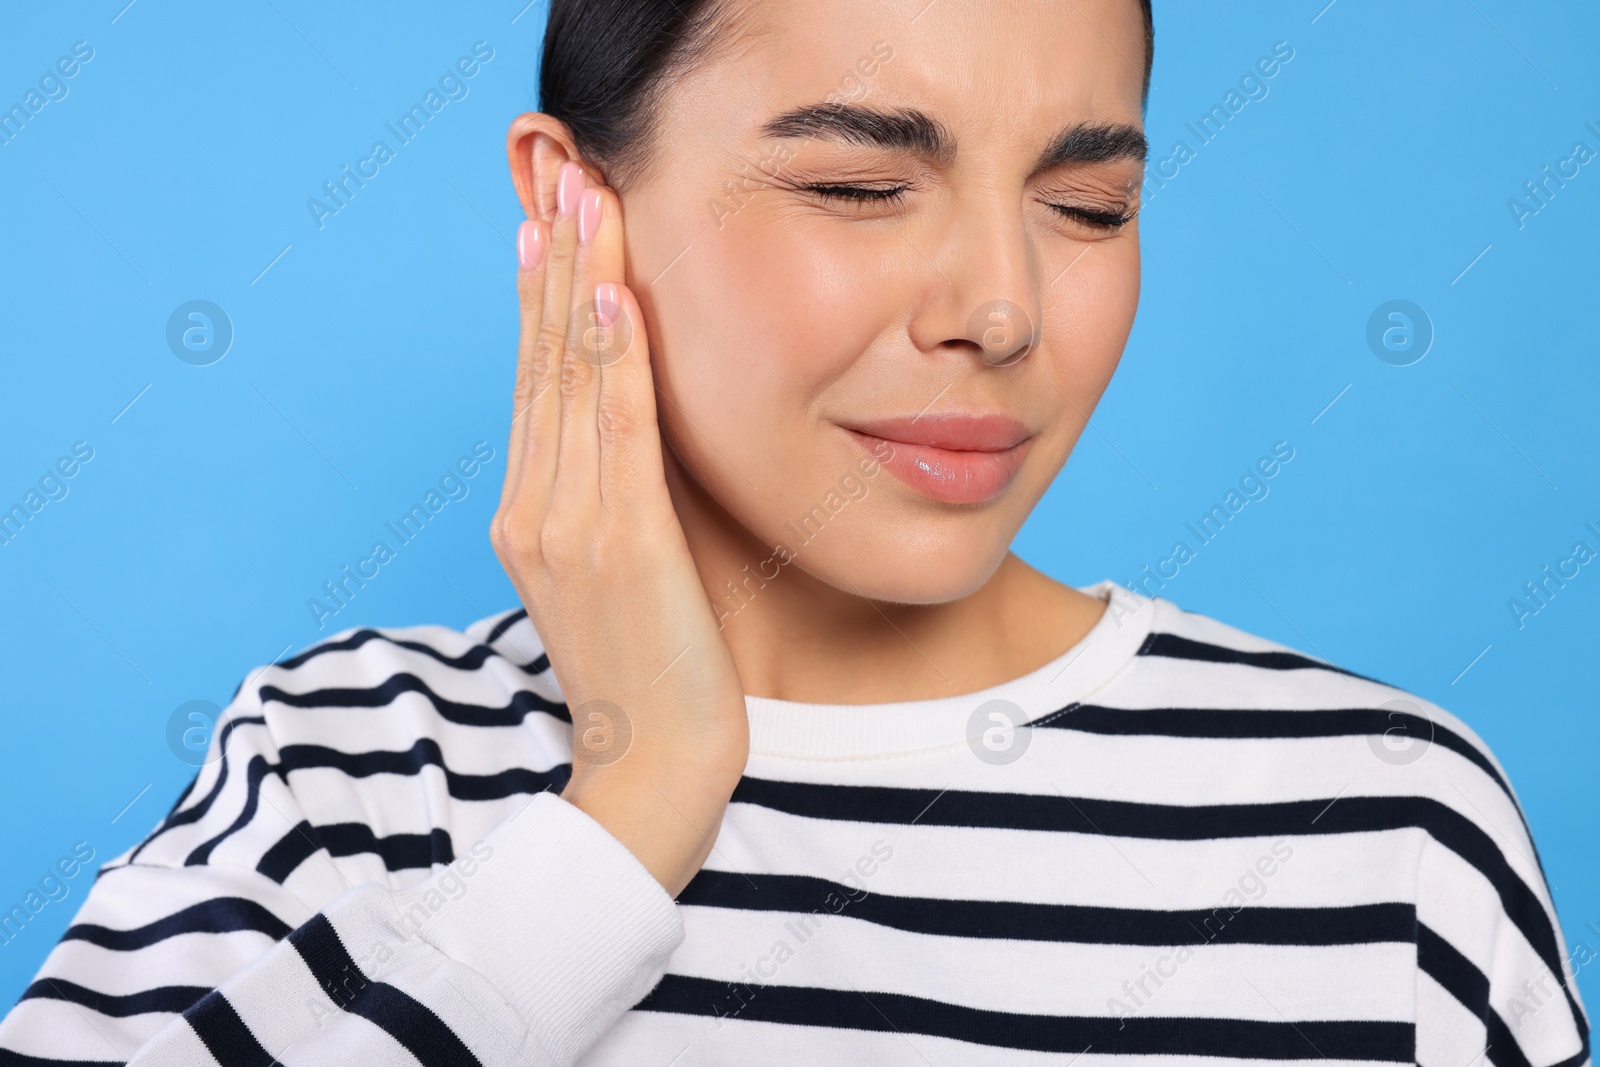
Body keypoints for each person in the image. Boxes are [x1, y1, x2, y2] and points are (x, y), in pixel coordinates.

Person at [0, 0, 1588, 1063]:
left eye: (1088, 207)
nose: (1002, 308)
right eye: (855, 186)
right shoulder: (342, 770)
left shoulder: (1384, 836)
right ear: (575, 208)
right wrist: (632, 804)